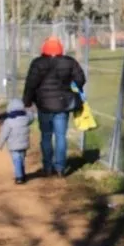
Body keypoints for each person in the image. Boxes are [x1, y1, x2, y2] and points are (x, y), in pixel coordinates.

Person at [22, 36, 86, 177]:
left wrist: (27, 101)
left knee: (46, 136)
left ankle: (47, 166)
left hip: (43, 105)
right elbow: (81, 79)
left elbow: (30, 84)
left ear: (44, 48)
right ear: (60, 49)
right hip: (62, 104)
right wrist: (74, 85)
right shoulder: (69, 62)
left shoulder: (37, 63)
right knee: (61, 136)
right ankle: (60, 168)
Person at [0, 99, 34, 185]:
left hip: (13, 145)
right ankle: (22, 174)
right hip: (24, 144)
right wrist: (28, 110)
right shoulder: (26, 118)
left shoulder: (8, 121)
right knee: (21, 159)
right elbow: (32, 117)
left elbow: (3, 134)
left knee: (16, 160)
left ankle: (19, 177)